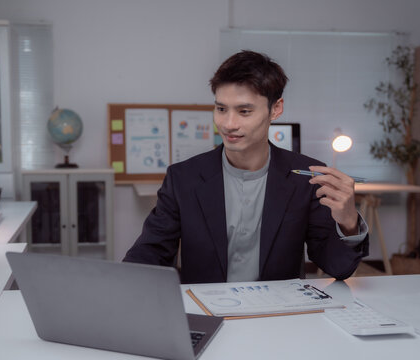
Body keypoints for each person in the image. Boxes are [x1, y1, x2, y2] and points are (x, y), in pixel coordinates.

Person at [123, 50, 368, 283]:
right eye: (221, 109)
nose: (228, 124)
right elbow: (150, 252)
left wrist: (347, 222)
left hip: (280, 317)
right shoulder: (183, 178)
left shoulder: (307, 176)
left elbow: (338, 268)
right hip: (206, 316)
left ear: (276, 109)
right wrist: (119, 284)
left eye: (244, 111)